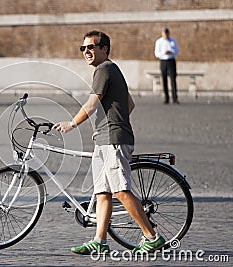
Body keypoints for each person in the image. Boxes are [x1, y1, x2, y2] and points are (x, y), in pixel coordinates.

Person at [53, 30, 165, 255]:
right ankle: (99, 241)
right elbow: (129, 103)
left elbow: (92, 103)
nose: (87, 51)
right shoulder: (109, 70)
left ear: (105, 49)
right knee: (102, 193)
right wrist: (105, 126)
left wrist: (72, 124)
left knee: (121, 191)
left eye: (92, 47)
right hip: (106, 138)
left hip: (114, 140)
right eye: (83, 48)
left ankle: (151, 237)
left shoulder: (104, 69)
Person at [154, 28, 179, 104]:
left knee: (173, 79)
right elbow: (156, 53)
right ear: (162, 34)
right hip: (163, 61)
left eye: (167, 34)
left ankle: (174, 98)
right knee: (164, 79)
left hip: (171, 60)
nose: (166, 36)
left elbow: (176, 51)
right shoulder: (159, 42)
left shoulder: (172, 40)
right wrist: (164, 53)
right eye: (165, 34)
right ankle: (166, 97)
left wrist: (171, 51)